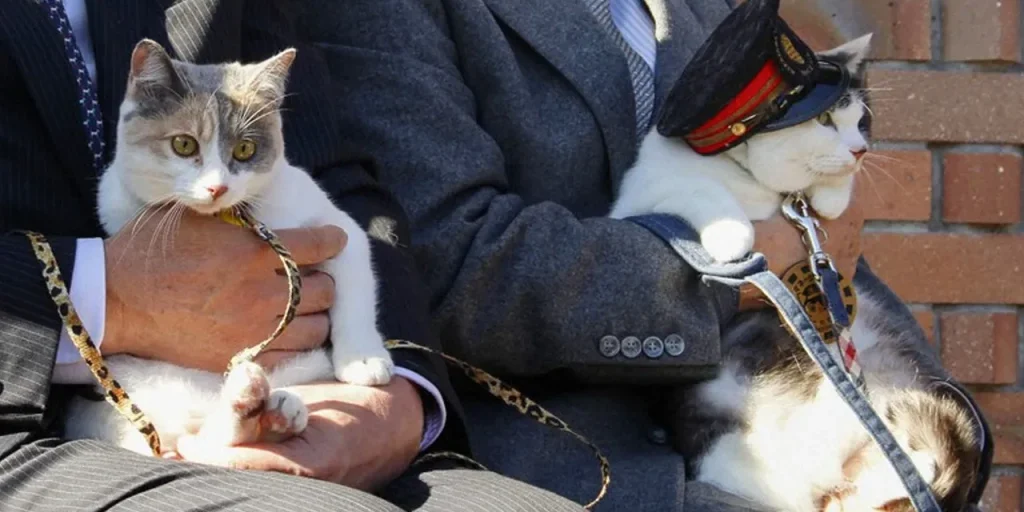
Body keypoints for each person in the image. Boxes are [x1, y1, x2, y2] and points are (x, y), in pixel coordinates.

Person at [298, 0, 991, 510]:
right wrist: (734, 278)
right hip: (561, 472)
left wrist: (936, 414)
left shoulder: (712, 10)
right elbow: (449, 262)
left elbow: (814, 242)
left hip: (803, 441)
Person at [0, 1, 585, 510]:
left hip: (308, 394)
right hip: (34, 422)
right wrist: (110, 298)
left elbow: (333, 174)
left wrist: (400, 396)